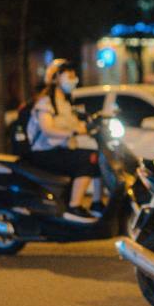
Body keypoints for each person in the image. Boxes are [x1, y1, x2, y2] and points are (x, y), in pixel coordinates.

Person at [27, 59, 102, 223]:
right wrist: (73, 131)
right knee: (86, 160)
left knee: (98, 158)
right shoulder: (45, 102)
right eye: (68, 75)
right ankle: (74, 207)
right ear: (55, 79)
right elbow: (47, 129)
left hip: (60, 150)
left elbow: (78, 124)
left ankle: (97, 204)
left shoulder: (66, 104)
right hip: (43, 153)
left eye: (74, 75)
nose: (73, 79)